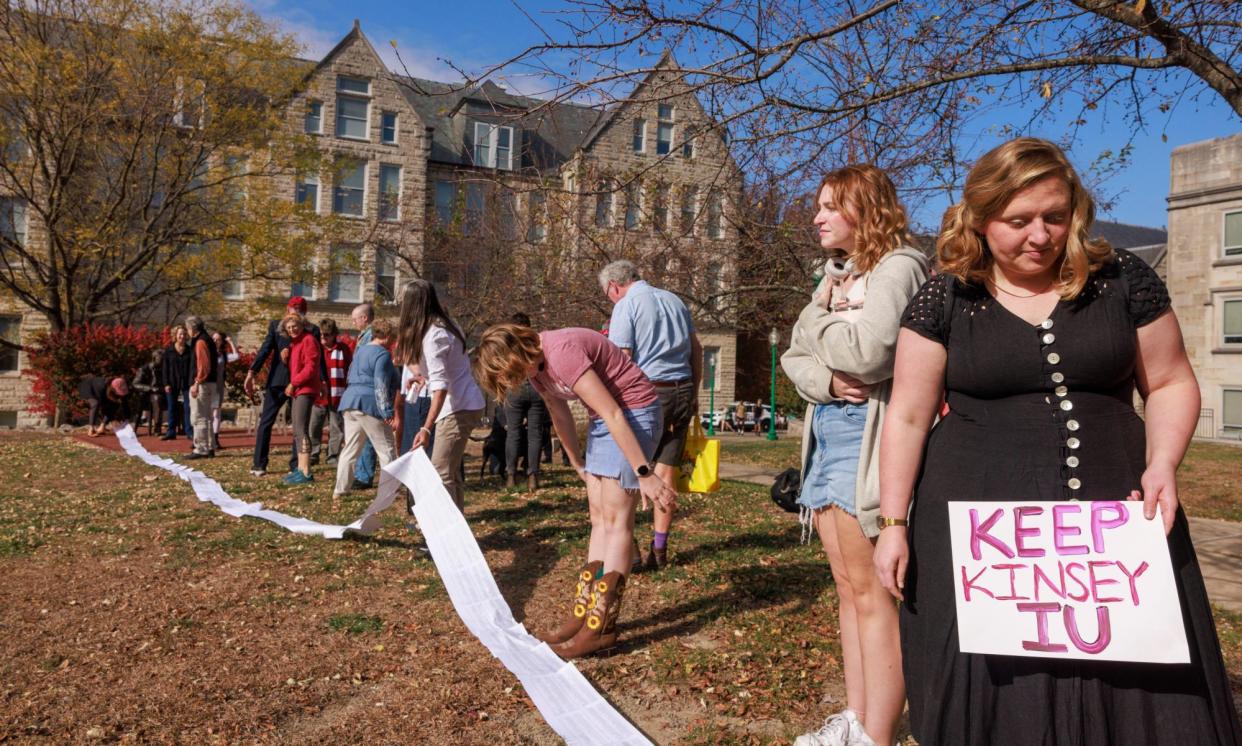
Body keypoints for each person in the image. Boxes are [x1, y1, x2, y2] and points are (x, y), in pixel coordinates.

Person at [873, 137, 1242, 745]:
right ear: (981, 218)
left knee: (1136, 684)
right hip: (978, 532)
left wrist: (1164, 463)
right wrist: (892, 523)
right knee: (996, 691)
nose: (1039, 235)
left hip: (1119, 518)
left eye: (1054, 216)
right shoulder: (947, 296)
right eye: (1018, 221)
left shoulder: (1124, 280)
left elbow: (1173, 381)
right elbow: (908, 416)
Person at [779, 164, 930, 746]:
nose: (815, 217)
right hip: (830, 429)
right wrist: (826, 381)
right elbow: (794, 359)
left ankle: (877, 735)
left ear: (865, 209)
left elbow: (870, 352)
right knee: (847, 590)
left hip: (869, 440)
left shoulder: (899, 266)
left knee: (873, 596)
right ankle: (855, 715)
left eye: (829, 207)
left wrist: (816, 322)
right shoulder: (837, 275)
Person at [474, 324, 677, 659]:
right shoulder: (537, 368)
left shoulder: (561, 352)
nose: (512, 382)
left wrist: (644, 472)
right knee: (598, 517)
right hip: (606, 422)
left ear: (516, 352)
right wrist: (577, 462)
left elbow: (614, 410)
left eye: (508, 373)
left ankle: (601, 629)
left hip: (633, 414)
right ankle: (585, 614)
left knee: (615, 519)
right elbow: (559, 411)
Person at [600, 260, 702, 570]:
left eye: (608, 294)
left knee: (630, 470)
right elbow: (695, 349)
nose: (610, 299)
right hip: (682, 389)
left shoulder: (626, 306)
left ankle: (627, 550)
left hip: (647, 394)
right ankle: (659, 550)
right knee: (667, 471)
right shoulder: (674, 300)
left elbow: (622, 360)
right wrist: (695, 391)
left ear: (614, 286)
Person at [393, 280, 485, 510]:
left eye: (402, 302)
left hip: (458, 407)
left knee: (440, 472)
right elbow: (436, 370)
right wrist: (421, 375)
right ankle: (458, 536)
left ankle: (445, 539)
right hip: (460, 404)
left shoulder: (434, 335)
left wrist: (425, 428)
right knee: (450, 472)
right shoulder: (441, 326)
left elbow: (442, 386)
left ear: (412, 305)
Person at [244, 297, 323, 477]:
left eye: (298, 311)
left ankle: (297, 465)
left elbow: (317, 360)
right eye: (291, 309)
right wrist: (252, 372)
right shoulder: (276, 326)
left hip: (300, 383)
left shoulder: (312, 331)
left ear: (303, 314)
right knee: (266, 421)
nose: (293, 314)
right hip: (278, 382)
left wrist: (323, 381)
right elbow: (265, 349)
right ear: (287, 310)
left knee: (299, 425)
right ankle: (259, 463)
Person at [333, 318, 400, 500]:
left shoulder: (360, 351)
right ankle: (389, 493)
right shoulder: (382, 354)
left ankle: (340, 490)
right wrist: (387, 412)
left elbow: (349, 375)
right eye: (393, 338)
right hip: (370, 404)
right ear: (386, 336)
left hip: (350, 402)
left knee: (350, 449)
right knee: (386, 450)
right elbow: (381, 385)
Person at [501, 312, 548, 491]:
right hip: (536, 389)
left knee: (513, 434)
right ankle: (533, 476)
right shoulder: (537, 342)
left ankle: (511, 475)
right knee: (535, 435)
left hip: (515, 389)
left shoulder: (508, 345)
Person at [279, 312, 323, 485]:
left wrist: (293, 383)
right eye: (289, 328)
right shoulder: (295, 344)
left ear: (302, 324)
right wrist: (285, 359)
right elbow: (297, 366)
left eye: (294, 326)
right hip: (299, 389)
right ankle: (300, 469)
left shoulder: (308, 340)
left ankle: (305, 471)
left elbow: (311, 367)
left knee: (301, 429)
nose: (292, 330)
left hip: (305, 388)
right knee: (298, 430)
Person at [309, 318, 352, 466]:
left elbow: (349, 371)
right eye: (321, 335)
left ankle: (333, 456)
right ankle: (313, 454)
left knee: (336, 428)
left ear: (334, 335)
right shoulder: (316, 349)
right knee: (314, 426)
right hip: (318, 397)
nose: (323, 338)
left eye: (326, 335)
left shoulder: (343, 349)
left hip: (337, 396)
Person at [349, 302, 379, 490]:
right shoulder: (364, 337)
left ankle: (364, 475)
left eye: (355, 319)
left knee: (368, 434)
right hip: (360, 389)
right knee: (361, 432)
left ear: (364, 318)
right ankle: (361, 472)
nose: (353, 323)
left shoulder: (371, 337)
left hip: (367, 390)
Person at [185, 315, 220, 460]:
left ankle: (201, 448)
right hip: (210, 383)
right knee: (207, 417)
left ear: (192, 328)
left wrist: (197, 383)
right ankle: (210, 446)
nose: (187, 331)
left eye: (187, 328)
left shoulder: (200, 342)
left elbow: (203, 366)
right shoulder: (207, 339)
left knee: (199, 417)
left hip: (202, 384)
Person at [160, 326, 193, 441]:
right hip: (172, 382)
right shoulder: (168, 351)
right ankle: (171, 432)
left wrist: (192, 382)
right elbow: (165, 369)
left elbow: (192, 368)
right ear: (175, 335)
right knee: (172, 407)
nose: (182, 336)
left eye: (184, 334)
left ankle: (189, 431)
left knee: (188, 407)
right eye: (180, 334)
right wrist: (166, 384)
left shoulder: (190, 350)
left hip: (187, 383)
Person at [210, 331, 237, 451]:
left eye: (218, 339)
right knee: (207, 413)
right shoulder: (207, 352)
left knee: (216, 413)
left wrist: (231, 342)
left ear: (221, 341)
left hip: (218, 386)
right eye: (213, 339)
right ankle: (203, 438)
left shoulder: (223, 356)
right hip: (207, 385)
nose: (215, 341)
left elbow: (236, 356)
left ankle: (215, 438)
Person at [132, 350, 164, 436]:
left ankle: (183, 428)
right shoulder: (144, 369)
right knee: (157, 398)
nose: (162, 362)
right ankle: (157, 428)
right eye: (160, 359)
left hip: (163, 392)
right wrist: (150, 388)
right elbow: (135, 384)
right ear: (154, 359)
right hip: (147, 395)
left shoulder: (165, 368)